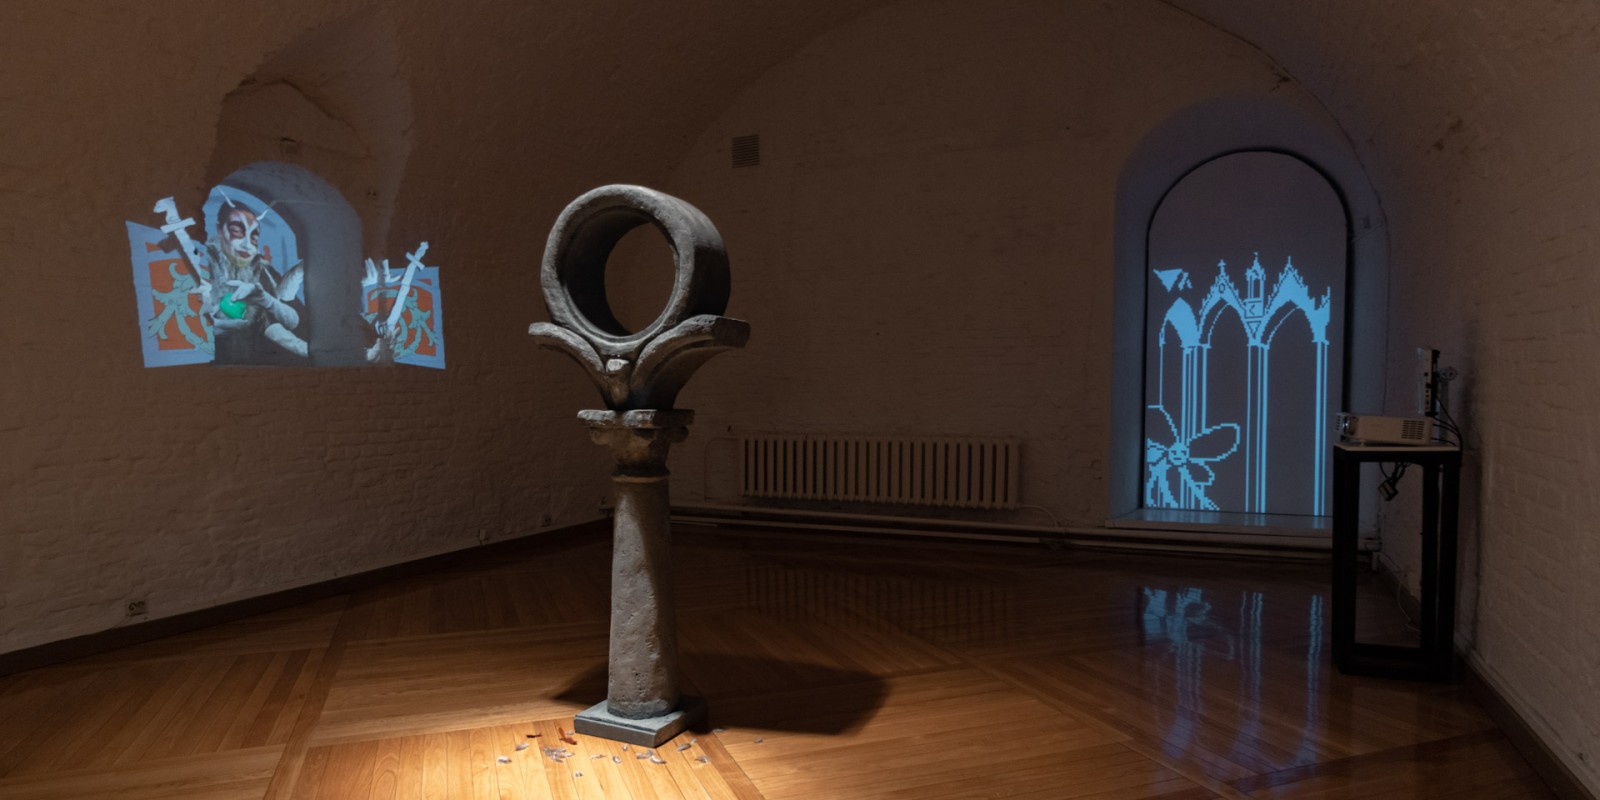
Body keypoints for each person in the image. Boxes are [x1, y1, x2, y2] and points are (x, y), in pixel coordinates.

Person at [205, 199, 306, 362]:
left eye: (254, 237)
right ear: (219, 229)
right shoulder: (203, 264)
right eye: (237, 231)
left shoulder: (262, 269)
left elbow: (288, 317)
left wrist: (266, 300)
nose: (248, 245)